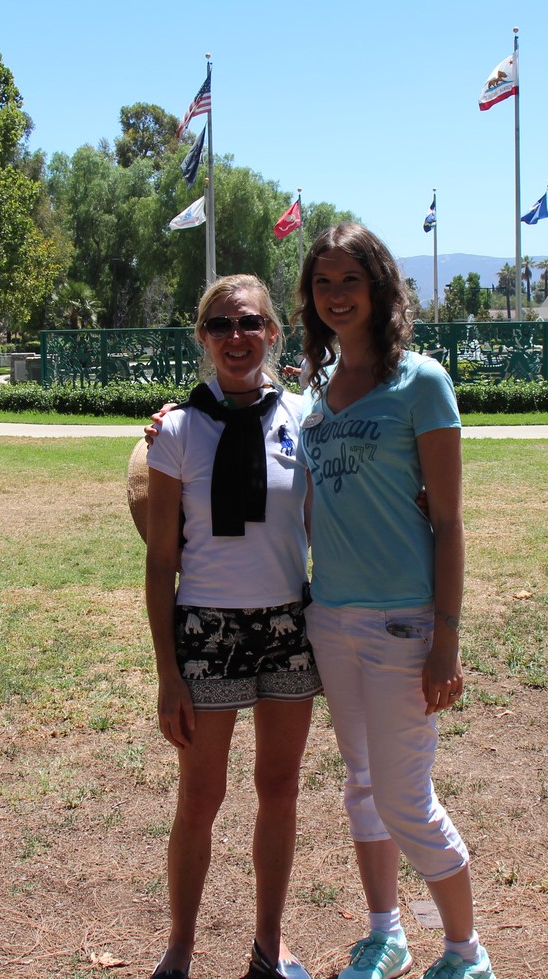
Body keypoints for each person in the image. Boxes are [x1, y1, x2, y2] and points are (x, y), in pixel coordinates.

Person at [295, 223, 493, 979]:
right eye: (322, 283)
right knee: (362, 785)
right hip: (330, 617)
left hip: (403, 623)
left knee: (406, 797)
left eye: (351, 279)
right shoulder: (316, 395)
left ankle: (465, 952)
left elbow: (449, 521)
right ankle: (386, 935)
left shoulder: (422, 383)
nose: (336, 295)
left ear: (379, 288)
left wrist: (447, 639)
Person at [143, 274, 318, 979]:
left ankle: (268, 945)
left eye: (249, 323)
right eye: (220, 325)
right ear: (203, 337)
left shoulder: (305, 419)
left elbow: (325, 525)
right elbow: (161, 562)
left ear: (273, 332)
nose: (236, 336)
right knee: (200, 797)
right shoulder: (177, 431)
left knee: (279, 789)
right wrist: (167, 674)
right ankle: (180, 947)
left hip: (287, 626)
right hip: (206, 629)